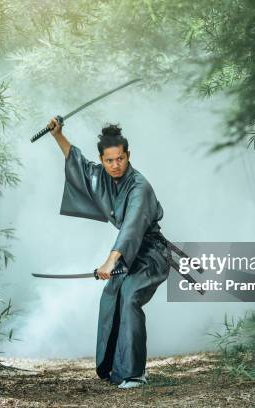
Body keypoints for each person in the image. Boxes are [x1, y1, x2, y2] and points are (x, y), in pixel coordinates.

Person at [46, 116, 170, 389]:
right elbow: (77, 163)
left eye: (120, 159)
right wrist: (58, 135)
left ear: (129, 156)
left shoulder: (140, 187)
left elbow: (133, 228)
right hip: (127, 253)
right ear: (102, 159)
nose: (115, 166)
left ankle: (135, 373)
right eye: (109, 160)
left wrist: (110, 260)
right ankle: (114, 367)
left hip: (150, 254)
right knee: (112, 296)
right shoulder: (101, 176)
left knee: (130, 297)